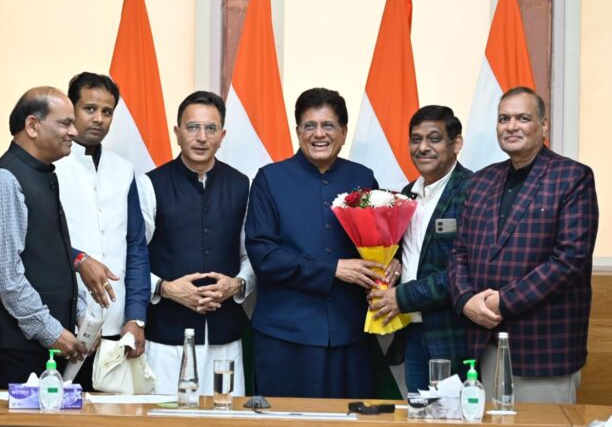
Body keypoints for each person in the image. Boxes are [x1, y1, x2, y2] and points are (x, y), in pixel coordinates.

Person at [448, 86, 599, 403]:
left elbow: (569, 260)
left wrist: (503, 301)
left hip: (542, 350)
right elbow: (459, 251)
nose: (511, 126)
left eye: (522, 118)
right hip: (483, 343)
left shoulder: (572, 177)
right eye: (504, 119)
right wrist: (464, 299)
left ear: (543, 126)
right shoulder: (481, 181)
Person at [246, 87, 398, 398]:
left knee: (352, 418)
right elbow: (264, 256)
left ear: (343, 132)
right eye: (309, 126)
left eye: (328, 125)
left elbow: (381, 240)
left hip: (351, 334)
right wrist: (333, 269)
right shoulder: (269, 179)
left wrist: (393, 261)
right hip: (285, 336)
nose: (319, 134)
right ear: (298, 131)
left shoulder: (363, 178)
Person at [136, 91, 255, 396]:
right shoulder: (151, 184)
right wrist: (165, 288)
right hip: (165, 338)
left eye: (210, 128)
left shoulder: (242, 184)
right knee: (166, 415)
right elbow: (132, 257)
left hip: (224, 337)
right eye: (192, 127)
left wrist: (237, 284)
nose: (201, 137)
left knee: (225, 415)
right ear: (177, 132)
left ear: (222, 136)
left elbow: (252, 254)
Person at [0, 87, 89, 388]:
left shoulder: (42, 173)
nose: (74, 132)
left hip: (48, 346)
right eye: (65, 123)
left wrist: (79, 315)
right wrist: (50, 330)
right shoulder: (4, 180)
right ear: (32, 125)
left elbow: (52, 255)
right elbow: (5, 274)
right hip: (18, 353)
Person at [368, 105, 471, 393]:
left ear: (456, 143)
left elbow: (467, 271)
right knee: (417, 412)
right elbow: (411, 253)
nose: (423, 147)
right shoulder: (406, 195)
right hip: (411, 332)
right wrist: (392, 268)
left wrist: (402, 297)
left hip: (452, 335)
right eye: (416, 139)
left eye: (434, 138)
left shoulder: (474, 190)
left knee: (452, 415)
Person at [54, 73, 150, 361]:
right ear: (71, 109)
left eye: (107, 112)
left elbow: (136, 246)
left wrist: (136, 317)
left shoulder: (123, 169)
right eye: (90, 109)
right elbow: (39, 241)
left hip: (117, 324)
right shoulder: (51, 167)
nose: (99, 119)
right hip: (62, 323)